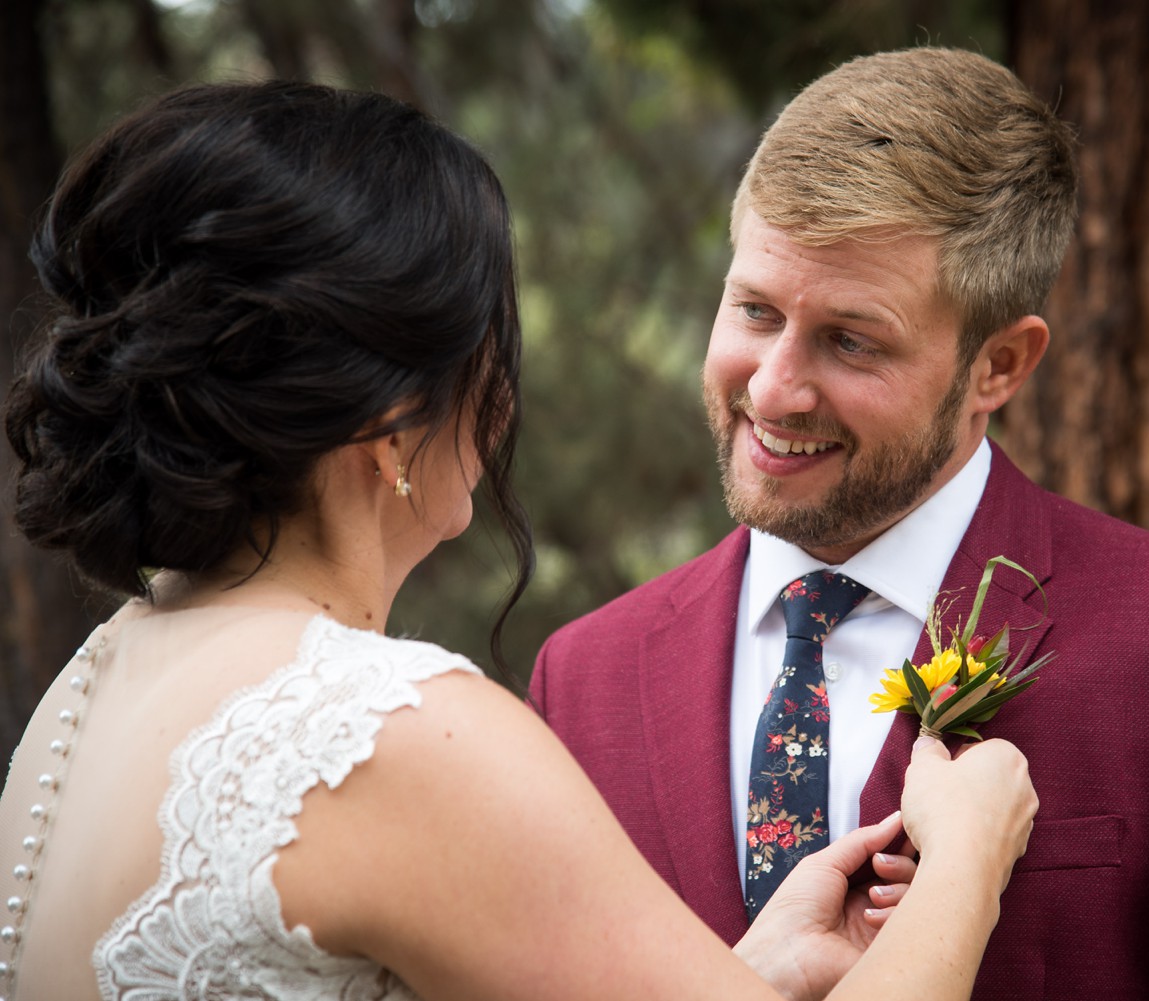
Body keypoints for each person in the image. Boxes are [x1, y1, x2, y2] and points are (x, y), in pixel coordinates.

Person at [0, 80, 1040, 1000]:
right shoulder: (390, 733)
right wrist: (961, 867)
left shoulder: (85, 695)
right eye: (488, 349)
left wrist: (749, 973)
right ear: (393, 420)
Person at [532, 47, 1149, 999]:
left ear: (999, 366)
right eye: (753, 309)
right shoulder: (582, 677)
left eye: (850, 340)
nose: (774, 388)